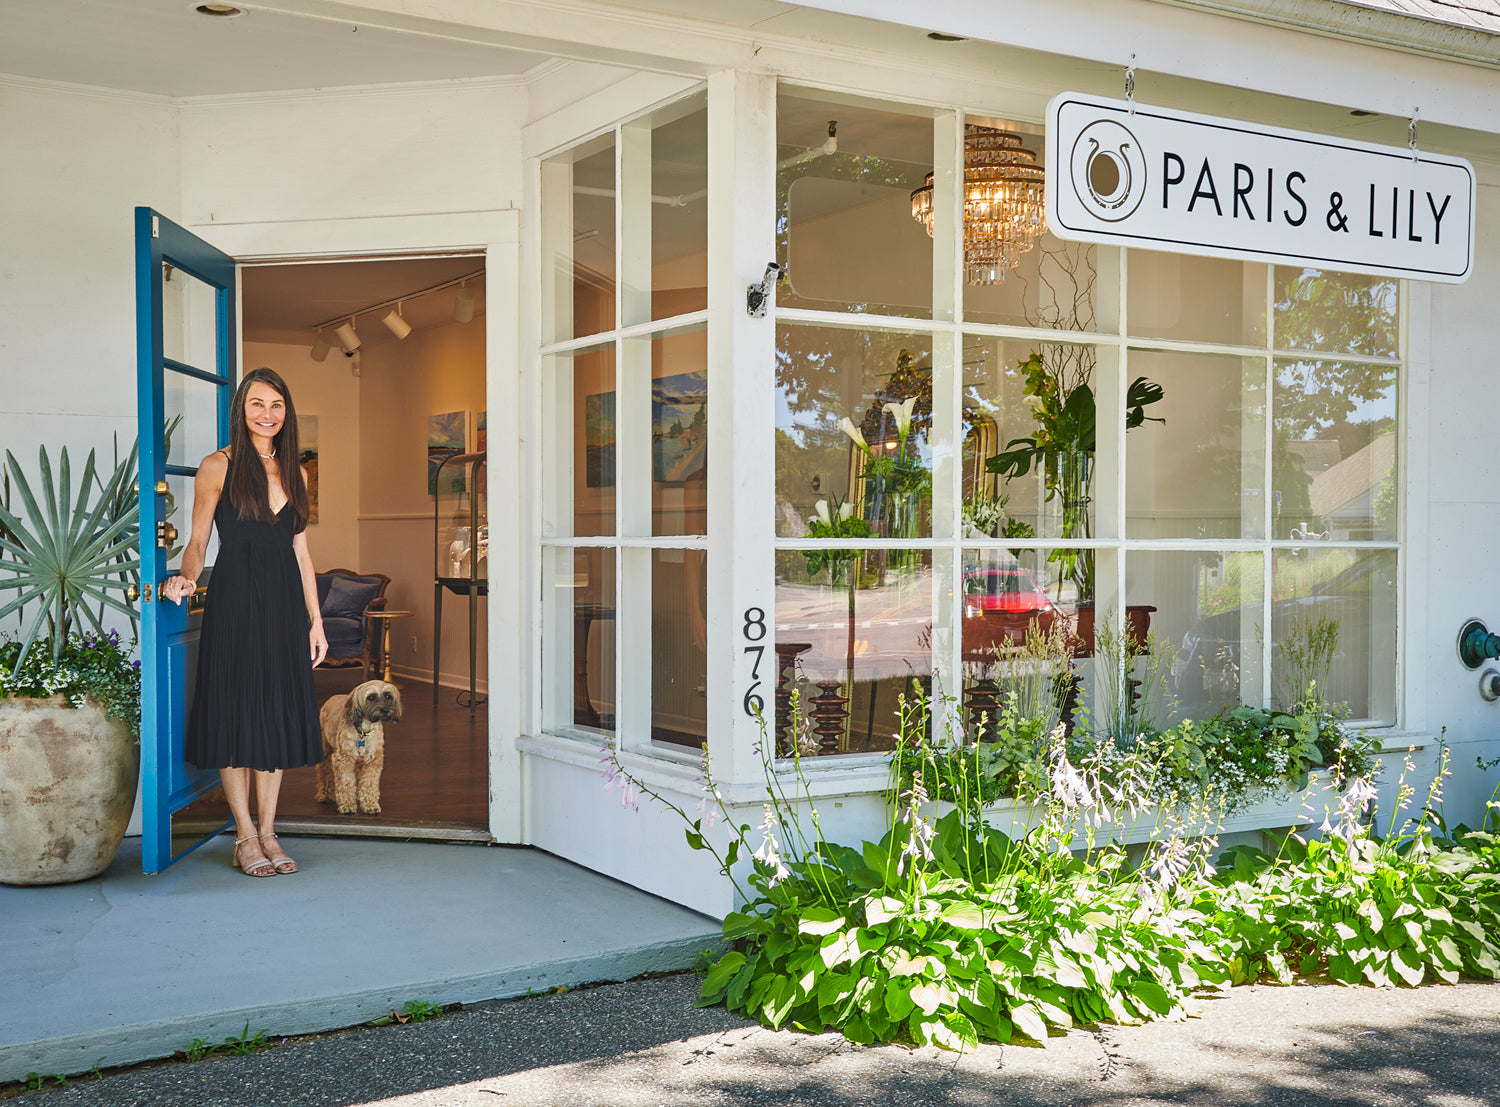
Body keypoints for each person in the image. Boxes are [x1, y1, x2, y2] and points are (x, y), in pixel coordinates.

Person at [162, 368, 328, 877]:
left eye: (276, 405)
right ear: (241, 410)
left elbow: (301, 552)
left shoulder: (297, 472)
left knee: (274, 714)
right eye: (257, 404)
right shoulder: (218, 465)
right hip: (234, 601)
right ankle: (245, 835)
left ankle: (272, 830)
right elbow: (197, 542)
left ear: (286, 411)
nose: (267, 414)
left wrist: (315, 621)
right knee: (236, 714)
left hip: (283, 607)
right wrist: (184, 579)